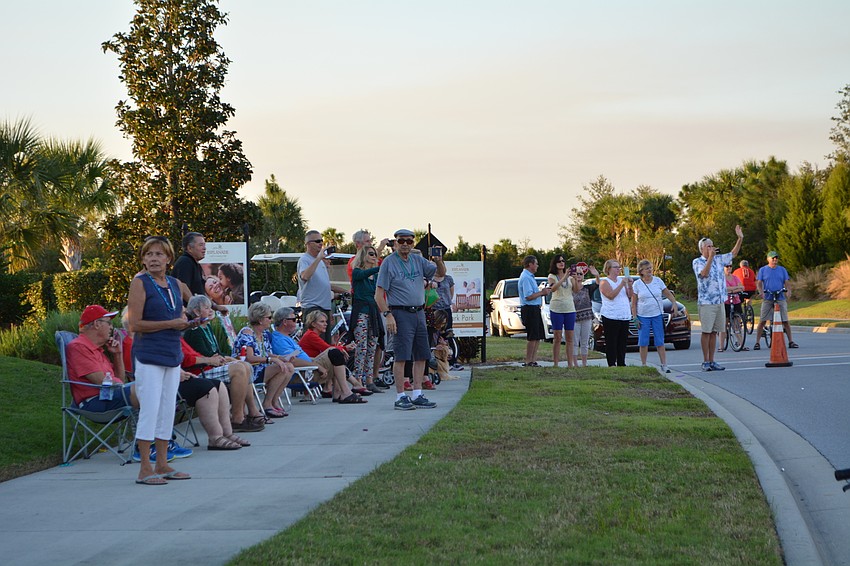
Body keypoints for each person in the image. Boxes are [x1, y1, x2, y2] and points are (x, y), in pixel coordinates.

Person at [127, 236, 195, 485]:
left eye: (159, 254)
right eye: (148, 254)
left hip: (172, 354)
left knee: (168, 409)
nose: (153, 258)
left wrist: (190, 320)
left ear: (168, 259)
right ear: (143, 259)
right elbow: (134, 324)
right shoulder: (140, 283)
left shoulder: (175, 284)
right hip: (149, 355)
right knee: (151, 409)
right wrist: (171, 323)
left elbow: (182, 313)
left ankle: (163, 464)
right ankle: (145, 468)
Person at [374, 228, 446, 410]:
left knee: (421, 354)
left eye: (409, 241)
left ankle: (417, 393)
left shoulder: (417, 259)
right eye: (401, 241)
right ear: (395, 242)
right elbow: (378, 294)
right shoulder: (389, 263)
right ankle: (400, 396)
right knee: (401, 356)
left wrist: (438, 260)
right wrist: (388, 315)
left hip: (419, 312)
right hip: (400, 312)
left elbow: (440, 274)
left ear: (413, 243)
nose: (405, 244)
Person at [182, 295, 266, 432]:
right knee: (238, 369)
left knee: (246, 366)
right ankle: (237, 417)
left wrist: (226, 358)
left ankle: (251, 410)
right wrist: (221, 358)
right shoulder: (194, 332)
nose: (210, 311)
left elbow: (216, 352)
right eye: (206, 308)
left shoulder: (207, 328)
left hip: (212, 365)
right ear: (196, 312)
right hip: (201, 370)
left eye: (211, 307)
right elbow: (206, 355)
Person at [66, 305, 137, 413]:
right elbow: (101, 382)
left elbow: (120, 379)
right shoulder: (78, 347)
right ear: (97, 324)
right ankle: (160, 428)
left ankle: (161, 427)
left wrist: (117, 354)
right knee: (147, 389)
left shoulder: (97, 350)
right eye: (108, 323)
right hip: (96, 401)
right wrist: (126, 387)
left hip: (109, 396)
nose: (111, 327)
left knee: (155, 387)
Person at [692, 226, 744, 371]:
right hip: (706, 303)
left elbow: (733, 254)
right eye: (708, 246)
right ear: (702, 248)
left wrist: (740, 238)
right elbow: (704, 274)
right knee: (706, 331)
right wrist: (710, 258)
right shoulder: (698, 262)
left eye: (712, 245)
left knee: (715, 332)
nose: (711, 248)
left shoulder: (718, 260)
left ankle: (712, 360)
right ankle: (705, 361)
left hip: (719, 301)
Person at [232, 302, 295, 418]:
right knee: (282, 368)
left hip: (261, 367)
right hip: (250, 370)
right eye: (269, 317)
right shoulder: (247, 333)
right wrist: (272, 360)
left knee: (289, 366)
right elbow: (249, 358)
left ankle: (273, 402)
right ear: (260, 319)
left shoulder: (264, 334)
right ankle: (267, 404)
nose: (271, 320)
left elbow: (265, 353)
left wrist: (280, 358)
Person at [296, 310, 369, 403]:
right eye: (322, 322)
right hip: (310, 370)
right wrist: (344, 348)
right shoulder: (310, 335)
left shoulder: (312, 334)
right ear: (313, 324)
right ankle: (350, 388)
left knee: (337, 355)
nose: (325, 324)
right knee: (335, 354)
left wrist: (341, 347)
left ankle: (340, 391)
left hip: (313, 366)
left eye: (325, 321)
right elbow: (328, 348)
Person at [298, 230, 350, 343]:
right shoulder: (305, 259)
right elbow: (305, 276)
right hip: (313, 308)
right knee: (315, 344)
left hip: (324, 308)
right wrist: (318, 259)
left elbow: (326, 285)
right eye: (317, 241)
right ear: (308, 244)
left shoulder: (321, 262)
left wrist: (346, 291)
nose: (321, 244)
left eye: (321, 241)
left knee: (325, 343)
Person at [630, 259, 678, 372]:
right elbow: (634, 303)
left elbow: (667, 293)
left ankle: (664, 364)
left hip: (657, 314)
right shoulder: (637, 284)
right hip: (643, 315)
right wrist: (635, 317)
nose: (649, 270)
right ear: (641, 271)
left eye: (650, 268)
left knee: (660, 341)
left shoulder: (658, 281)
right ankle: (643, 364)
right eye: (647, 269)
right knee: (643, 341)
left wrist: (674, 302)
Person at [350, 245, 384, 393]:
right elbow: (361, 275)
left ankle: (369, 380)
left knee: (372, 346)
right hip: (361, 312)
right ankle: (358, 380)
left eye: (375, 254)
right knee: (361, 347)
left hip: (373, 312)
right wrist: (378, 268)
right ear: (363, 255)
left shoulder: (375, 276)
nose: (374, 257)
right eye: (371, 254)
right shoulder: (357, 272)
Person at [170, 231, 227, 314]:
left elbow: (200, 292)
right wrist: (195, 307)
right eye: (201, 245)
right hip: (185, 315)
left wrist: (215, 306)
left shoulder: (195, 264)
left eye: (204, 245)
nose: (204, 248)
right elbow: (182, 286)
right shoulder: (185, 262)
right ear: (189, 248)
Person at [754, 251, 798, 350]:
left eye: (776, 258)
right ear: (768, 259)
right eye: (773, 258)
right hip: (768, 297)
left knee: (785, 320)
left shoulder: (782, 270)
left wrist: (789, 291)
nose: (775, 260)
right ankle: (757, 342)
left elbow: (786, 282)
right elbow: (759, 282)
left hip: (780, 296)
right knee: (763, 320)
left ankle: (791, 341)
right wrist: (761, 291)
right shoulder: (763, 270)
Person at [547, 255, 581, 368]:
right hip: (557, 308)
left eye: (563, 261)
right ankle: (556, 363)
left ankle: (570, 363)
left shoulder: (570, 277)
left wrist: (575, 279)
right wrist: (564, 277)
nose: (562, 263)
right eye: (559, 261)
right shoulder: (552, 276)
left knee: (570, 337)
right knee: (557, 336)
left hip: (569, 309)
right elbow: (553, 288)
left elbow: (576, 290)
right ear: (555, 263)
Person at [518, 255, 551, 367]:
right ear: (530, 264)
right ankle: (528, 361)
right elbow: (528, 296)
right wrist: (542, 293)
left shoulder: (530, 277)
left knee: (537, 336)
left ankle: (533, 360)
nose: (537, 266)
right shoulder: (526, 277)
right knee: (532, 336)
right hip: (529, 309)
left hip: (535, 308)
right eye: (536, 263)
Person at [599, 259, 633, 367]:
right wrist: (622, 284)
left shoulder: (622, 280)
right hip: (611, 315)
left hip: (624, 315)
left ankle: (621, 362)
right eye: (615, 267)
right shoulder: (604, 282)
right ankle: (612, 363)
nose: (618, 269)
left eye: (619, 267)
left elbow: (629, 295)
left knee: (622, 341)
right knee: (612, 341)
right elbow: (611, 295)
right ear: (609, 269)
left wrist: (630, 285)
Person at [572, 263, 597, 367]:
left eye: (581, 274)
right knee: (574, 342)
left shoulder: (587, 288)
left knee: (584, 342)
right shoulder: (570, 289)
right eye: (576, 274)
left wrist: (596, 275)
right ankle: (575, 363)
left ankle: (584, 363)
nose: (579, 276)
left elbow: (598, 284)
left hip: (586, 317)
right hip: (574, 318)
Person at [718, 264, 747, 352]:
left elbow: (742, 287)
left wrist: (732, 289)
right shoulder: (721, 278)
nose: (729, 268)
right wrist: (736, 288)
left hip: (736, 301)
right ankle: (721, 346)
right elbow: (723, 289)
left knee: (737, 324)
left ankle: (741, 343)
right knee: (724, 324)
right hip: (725, 302)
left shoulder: (735, 277)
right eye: (727, 266)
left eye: (730, 266)